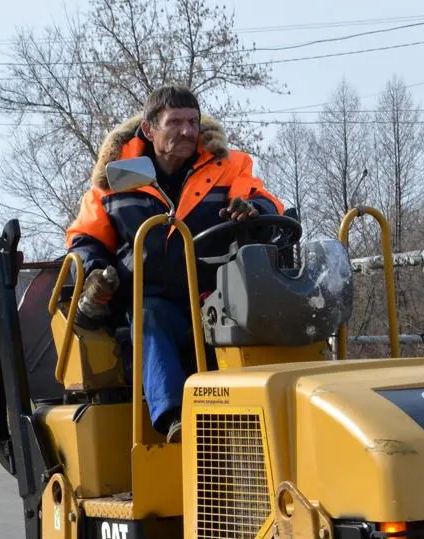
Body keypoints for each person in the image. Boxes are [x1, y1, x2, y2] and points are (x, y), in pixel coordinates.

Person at [65, 86, 285, 442]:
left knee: (265, 316)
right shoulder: (115, 179)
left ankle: (271, 418)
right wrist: (94, 274)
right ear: (150, 130)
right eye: (175, 122)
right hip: (152, 300)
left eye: (193, 122)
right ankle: (174, 419)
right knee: (149, 315)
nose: (186, 131)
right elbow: (85, 238)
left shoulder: (226, 166)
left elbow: (266, 201)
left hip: (216, 296)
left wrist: (252, 210)